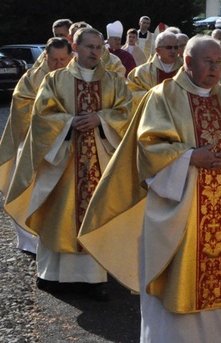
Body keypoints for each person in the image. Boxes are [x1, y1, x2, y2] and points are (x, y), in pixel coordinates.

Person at [78, 36, 221, 342]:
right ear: (187, 62)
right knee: (179, 285)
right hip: (181, 209)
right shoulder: (162, 96)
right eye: (207, 61)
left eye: (218, 61)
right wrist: (190, 157)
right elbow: (149, 146)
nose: (215, 68)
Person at [4, 28, 132, 301]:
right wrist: (68, 123)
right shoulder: (55, 79)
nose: (94, 52)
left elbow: (126, 112)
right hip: (62, 164)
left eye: (99, 47)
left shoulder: (113, 81)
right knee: (58, 216)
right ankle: (52, 277)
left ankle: (92, 281)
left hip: (99, 161)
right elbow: (42, 115)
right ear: (76, 46)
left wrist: (102, 120)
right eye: (89, 47)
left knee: (93, 215)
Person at [0, 37, 73, 254]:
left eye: (63, 59)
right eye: (54, 60)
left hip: (66, 145)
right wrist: (50, 120)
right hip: (34, 144)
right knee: (31, 192)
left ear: (70, 57)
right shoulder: (32, 78)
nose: (59, 64)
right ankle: (31, 239)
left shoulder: (75, 78)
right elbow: (21, 106)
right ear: (45, 57)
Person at [126, 31, 183, 109]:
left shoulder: (185, 70)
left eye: (176, 47)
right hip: (151, 116)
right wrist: (156, 97)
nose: (173, 51)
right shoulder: (141, 72)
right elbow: (132, 93)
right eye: (169, 47)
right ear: (158, 50)